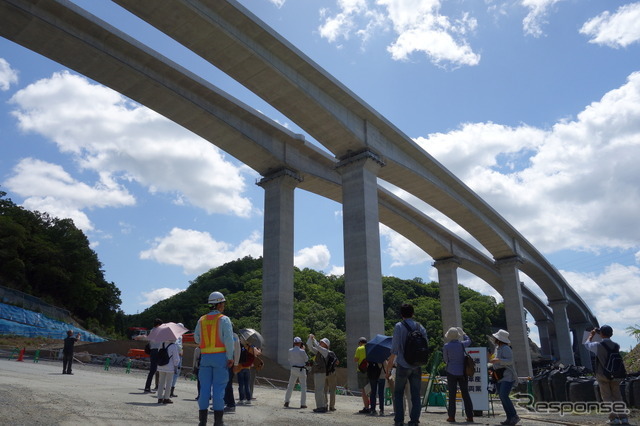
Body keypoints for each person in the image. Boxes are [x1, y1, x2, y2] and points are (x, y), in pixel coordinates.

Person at [194, 291, 234, 426]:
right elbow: (229, 340)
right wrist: (230, 357)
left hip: (205, 358)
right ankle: (218, 422)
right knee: (219, 389)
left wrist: (205, 346)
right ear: (219, 304)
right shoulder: (224, 319)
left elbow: (196, 338)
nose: (224, 306)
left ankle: (202, 422)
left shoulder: (201, 320)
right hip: (220, 358)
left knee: (204, 389)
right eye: (223, 303)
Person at [386, 303, 428, 426]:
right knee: (415, 394)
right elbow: (425, 344)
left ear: (401, 314)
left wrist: (389, 368)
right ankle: (414, 421)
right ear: (413, 313)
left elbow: (394, 349)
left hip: (403, 364)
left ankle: (399, 420)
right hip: (417, 365)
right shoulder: (420, 326)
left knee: (398, 393)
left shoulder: (399, 326)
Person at [584, 325, 629, 425]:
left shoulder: (598, 345)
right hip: (616, 374)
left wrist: (591, 335)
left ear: (601, 334)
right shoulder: (616, 345)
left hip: (603, 375)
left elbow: (587, 345)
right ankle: (624, 418)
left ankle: (614, 419)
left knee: (607, 397)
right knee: (618, 396)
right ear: (611, 334)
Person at [488, 329, 519, 426]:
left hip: (507, 376)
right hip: (499, 375)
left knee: (503, 395)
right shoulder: (498, 347)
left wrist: (498, 360)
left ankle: (514, 416)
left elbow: (509, 361)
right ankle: (509, 418)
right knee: (502, 396)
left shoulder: (506, 348)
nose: (494, 339)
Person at [443, 327, 474, 422]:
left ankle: (451, 416)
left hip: (451, 371)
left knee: (452, 395)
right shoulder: (462, 344)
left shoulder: (446, 346)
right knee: (465, 394)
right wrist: (464, 333)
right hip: (462, 372)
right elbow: (469, 341)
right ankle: (470, 416)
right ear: (457, 336)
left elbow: (445, 360)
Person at [307, 334, 331, 413]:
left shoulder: (325, 351)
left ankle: (320, 406)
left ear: (326, 345)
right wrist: (310, 339)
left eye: (322, 342)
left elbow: (317, 346)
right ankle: (323, 405)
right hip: (318, 372)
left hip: (321, 372)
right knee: (319, 389)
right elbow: (309, 346)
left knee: (318, 390)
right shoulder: (319, 351)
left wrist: (313, 339)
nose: (321, 342)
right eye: (320, 341)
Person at [284, 336, 309, 409]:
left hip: (293, 369)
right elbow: (306, 359)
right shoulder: (302, 351)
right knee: (303, 387)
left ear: (294, 343)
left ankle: (286, 401)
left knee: (290, 386)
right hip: (301, 369)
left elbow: (289, 359)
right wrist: (303, 350)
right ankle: (303, 404)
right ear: (300, 343)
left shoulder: (290, 350)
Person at [157, 339, 181, 404]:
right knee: (169, 383)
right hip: (170, 367)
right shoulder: (173, 346)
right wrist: (176, 366)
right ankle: (166, 398)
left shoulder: (162, 344)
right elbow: (176, 358)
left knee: (161, 382)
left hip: (161, 366)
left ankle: (159, 398)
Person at [223, 332, 241, 413]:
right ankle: (225, 402)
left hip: (230, 362)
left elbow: (237, 350)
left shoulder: (234, 336)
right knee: (223, 384)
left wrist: (236, 363)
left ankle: (231, 404)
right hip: (222, 362)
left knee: (227, 384)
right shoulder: (222, 334)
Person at [144, 318, 163, 393]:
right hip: (155, 351)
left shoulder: (152, 330)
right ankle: (147, 387)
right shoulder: (156, 331)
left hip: (153, 351)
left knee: (153, 370)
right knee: (153, 370)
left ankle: (148, 387)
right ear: (158, 324)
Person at [354, 336, 371, 413]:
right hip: (370, 371)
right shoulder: (370, 348)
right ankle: (372, 406)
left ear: (360, 342)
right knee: (370, 389)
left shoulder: (359, 348)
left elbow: (356, 359)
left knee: (363, 390)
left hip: (361, 371)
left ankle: (366, 407)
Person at [170, 324, 185, 398]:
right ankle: (171, 391)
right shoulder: (179, 335)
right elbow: (178, 345)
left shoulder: (172, 334)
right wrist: (181, 351)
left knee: (171, 373)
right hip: (178, 356)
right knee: (176, 373)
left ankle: (169, 390)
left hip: (172, 355)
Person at [324, 345, 339, 411]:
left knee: (324, 390)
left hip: (323, 373)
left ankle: (325, 404)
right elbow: (337, 362)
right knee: (332, 390)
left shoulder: (321, 353)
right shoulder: (332, 353)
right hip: (332, 373)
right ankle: (332, 406)